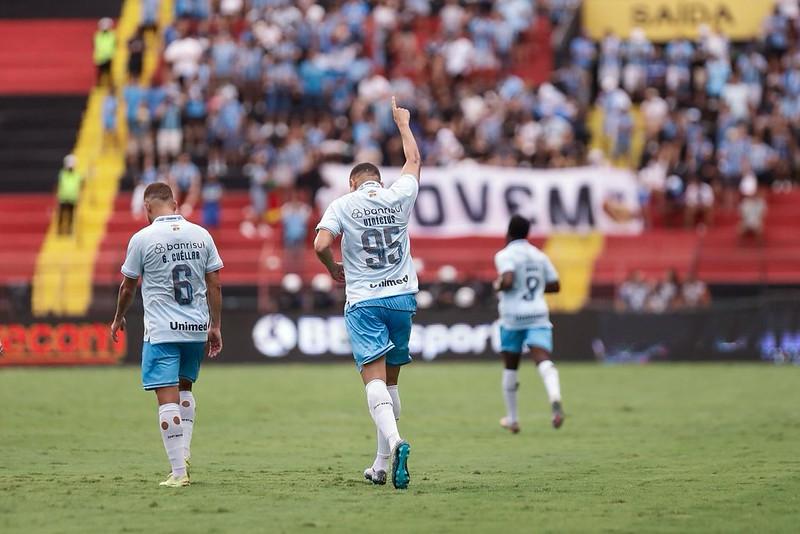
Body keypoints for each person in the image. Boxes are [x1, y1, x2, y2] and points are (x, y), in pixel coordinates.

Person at [313, 97, 419, 490]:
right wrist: (403, 125)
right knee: (391, 385)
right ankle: (379, 464)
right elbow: (413, 162)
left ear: (353, 183)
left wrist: (333, 269)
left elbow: (321, 245)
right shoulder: (398, 195)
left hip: (365, 301)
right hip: (402, 297)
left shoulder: (343, 204)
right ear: (378, 178)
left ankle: (396, 442)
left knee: (373, 382)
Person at [110, 182, 224, 488]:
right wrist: (215, 326)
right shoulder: (201, 234)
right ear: (174, 204)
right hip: (196, 328)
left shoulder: (142, 238)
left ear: (148, 207)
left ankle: (177, 472)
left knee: (167, 399)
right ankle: (184, 452)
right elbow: (215, 284)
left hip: (162, 331)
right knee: (185, 390)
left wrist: (119, 317)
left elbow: (128, 286)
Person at [493, 215, 564, 434]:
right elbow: (555, 285)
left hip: (513, 316)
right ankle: (554, 396)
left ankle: (513, 419)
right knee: (542, 358)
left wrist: (498, 285)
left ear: (509, 233)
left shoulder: (504, 255)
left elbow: (508, 280)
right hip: (537, 313)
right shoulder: (539, 255)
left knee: (511, 366)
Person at [57, 154, 83, 236]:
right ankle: (60, 229)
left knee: (71, 216)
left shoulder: (77, 175)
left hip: (73, 198)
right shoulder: (62, 174)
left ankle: (69, 230)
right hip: (63, 198)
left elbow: (81, 186)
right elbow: (58, 185)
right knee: (61, 215)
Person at [93, 18, 116, 87]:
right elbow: (95, 45)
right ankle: (98, 84)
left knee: (108, 72)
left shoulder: (112, 35)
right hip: (100, 57)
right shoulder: (97, 35)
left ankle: (110, 84)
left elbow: (114, 45)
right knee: (99, 72)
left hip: (109, 57)